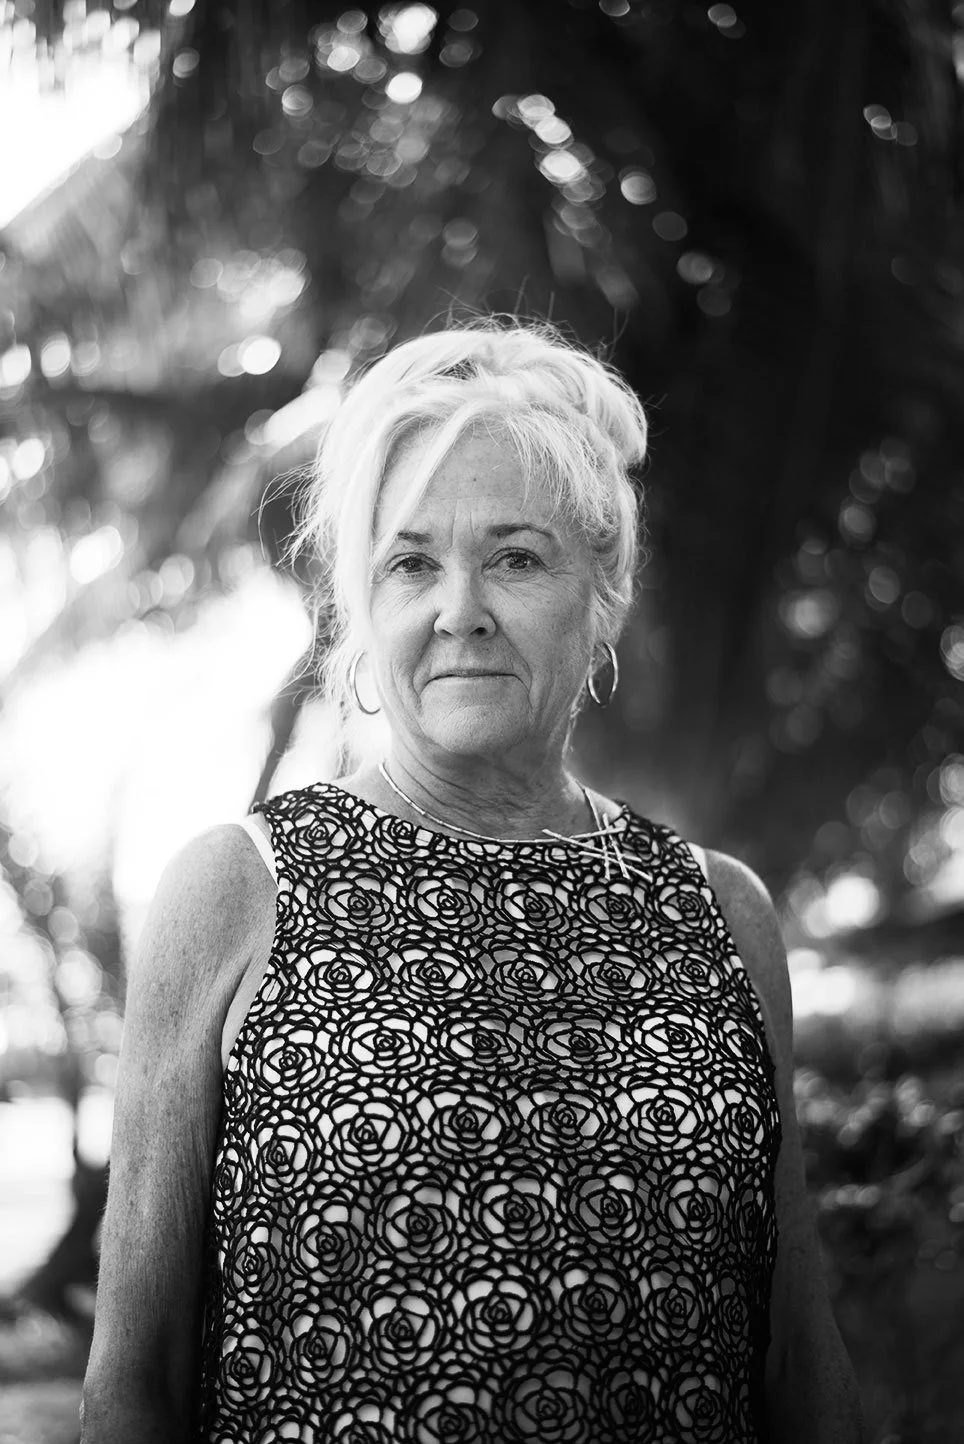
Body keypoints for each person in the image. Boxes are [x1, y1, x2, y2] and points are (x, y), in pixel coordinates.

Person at [81, 319, 863, 1444]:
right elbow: (131, 1387)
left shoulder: (720, 913)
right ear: (361, 604)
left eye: (514, 556)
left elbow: (798, 1358)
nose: (460, 609)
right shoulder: (236, 893)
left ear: (604, 588)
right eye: (411, 562)